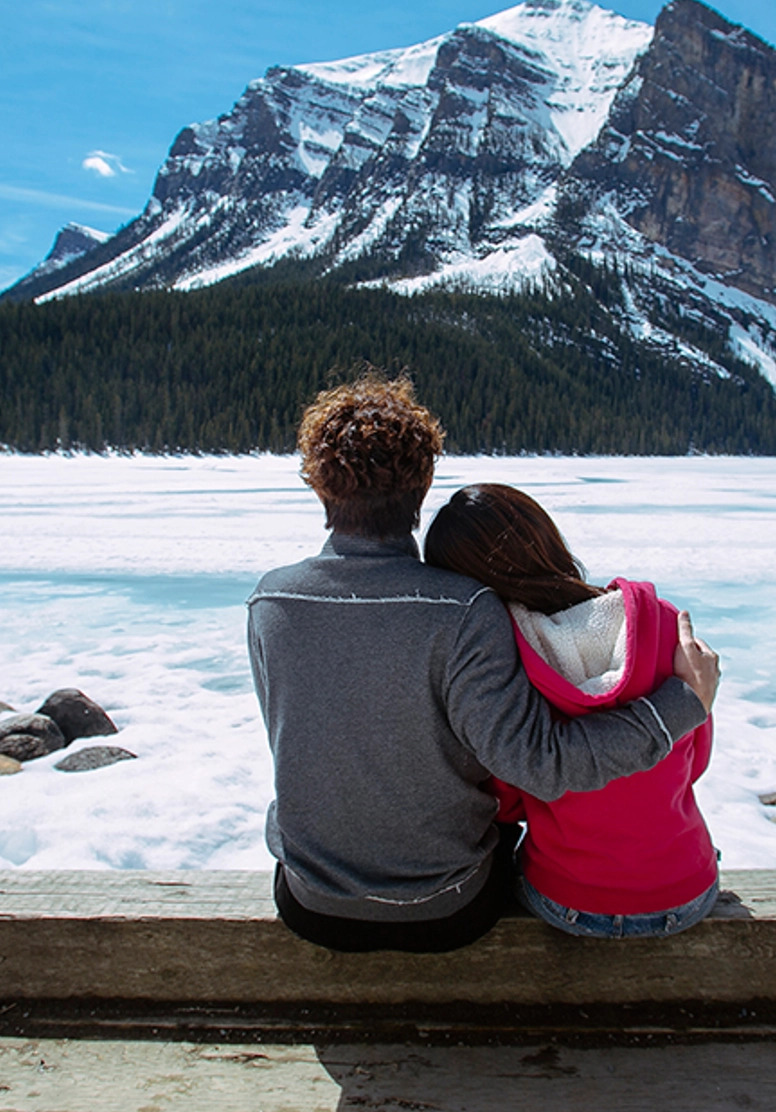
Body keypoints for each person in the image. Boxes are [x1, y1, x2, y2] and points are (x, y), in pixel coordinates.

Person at [247, 373, 719, 953]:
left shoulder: (270, 602)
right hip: (445, 910)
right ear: (421, 489)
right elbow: (542, 766)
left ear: (320, 487)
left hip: (310, 905)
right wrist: (683, 703)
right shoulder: (464, 609)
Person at [424, 483, 719, 938]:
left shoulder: (505, 664)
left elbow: (509, 796)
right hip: (686, 892)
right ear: (545, 536)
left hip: (570, 901)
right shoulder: (662, 623)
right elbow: (695, 757)